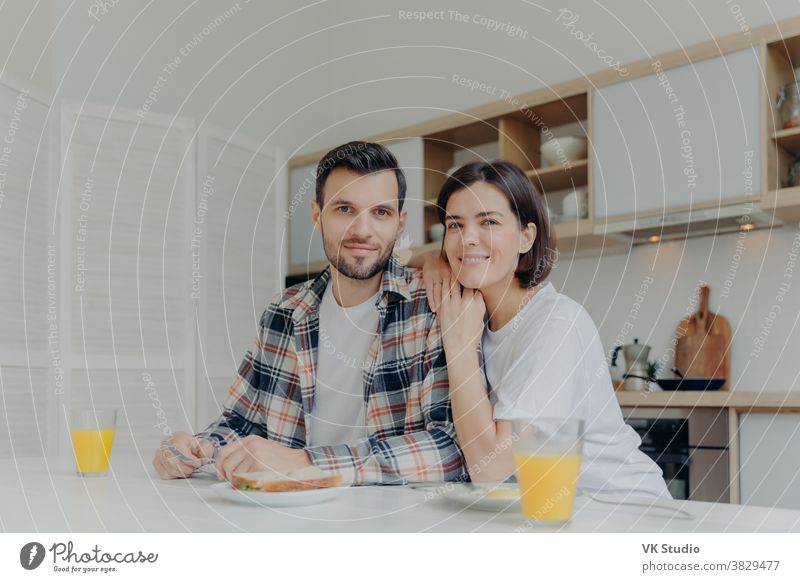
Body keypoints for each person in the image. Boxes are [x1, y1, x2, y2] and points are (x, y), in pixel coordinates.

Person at [153, 141, 467, 485]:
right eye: (344, 209)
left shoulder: (433, 306)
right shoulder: (283, 311)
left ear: (400, 223)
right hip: (287, 513)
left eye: (381, 212)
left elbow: (449, 448)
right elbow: (241, 423)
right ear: (317, 216)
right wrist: (198, 448)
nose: (362, 230)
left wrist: (307, 462)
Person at [416, 160, 669, 499]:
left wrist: (459, 344)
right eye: (454, 225)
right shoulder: (478, 314)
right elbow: (398, 261)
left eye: (488, 221)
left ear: (526, 236)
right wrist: (433, 258)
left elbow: (490, 470)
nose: (468, 239)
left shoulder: (554, 325)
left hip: (622, 511)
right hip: (550, 514)